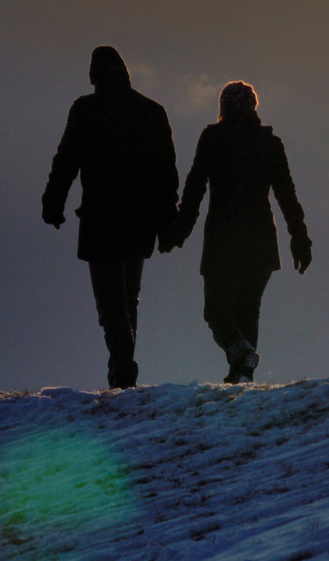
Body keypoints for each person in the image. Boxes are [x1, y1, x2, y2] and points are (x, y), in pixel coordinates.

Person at [42, 45, 178, 389]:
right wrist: (167, 223)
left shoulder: (86, 109)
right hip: (140, 221)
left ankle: (123, 369)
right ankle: (121, 372)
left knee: (111, 304)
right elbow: (166, 175)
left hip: (101, 219)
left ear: (93, 76)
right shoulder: (152, 112)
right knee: (127, 299)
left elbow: (66, 160)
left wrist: (53, 204)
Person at [164, 81, 311, 384]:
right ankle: (243, 373)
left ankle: (240, 357)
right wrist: (299, 238)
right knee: (248, 311)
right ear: (253, 108)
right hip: (261, 242)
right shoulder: (270, 143)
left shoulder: (213, 138)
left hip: (223, 240)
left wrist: (180, 232)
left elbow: (194, 188)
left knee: (216, 311)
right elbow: (287, 195)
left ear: (223, 109)